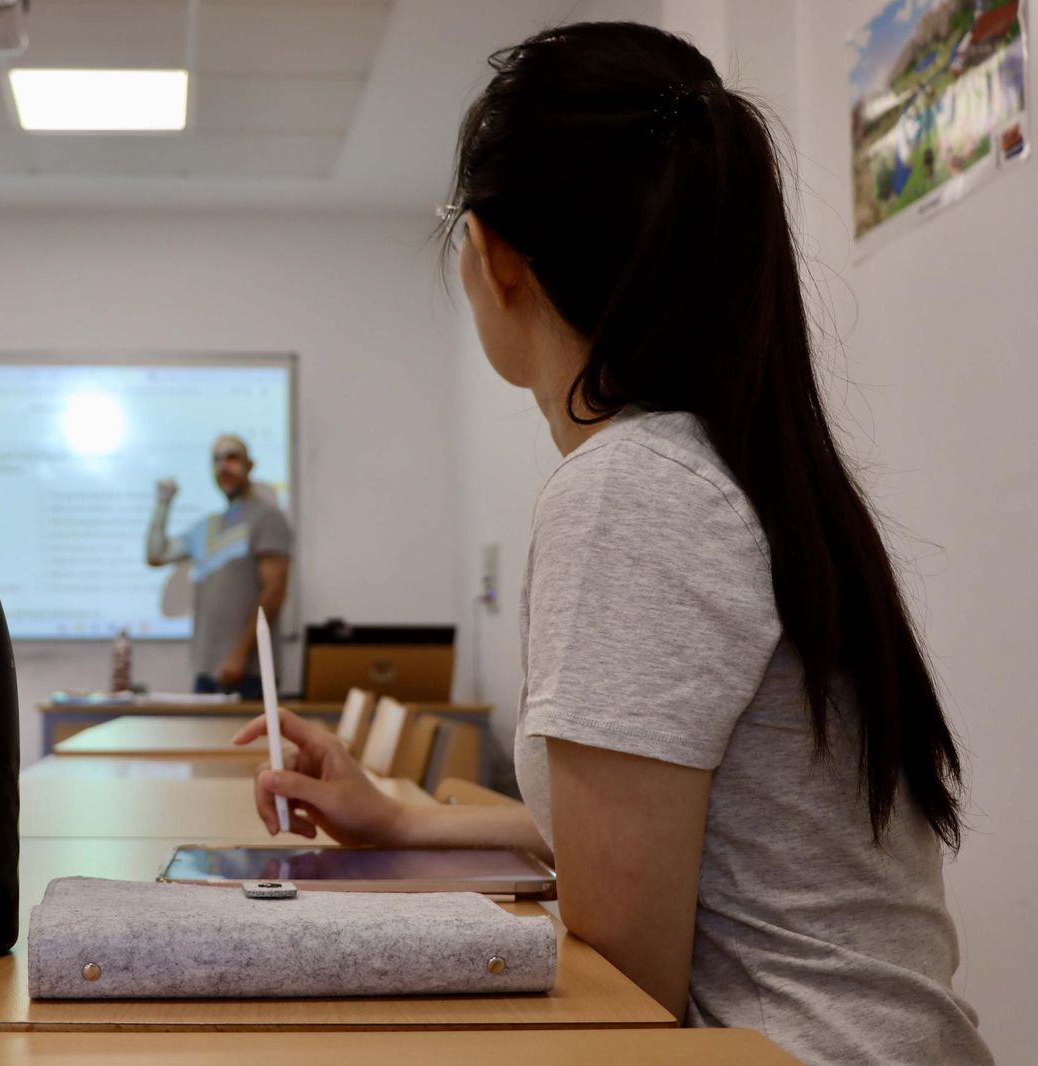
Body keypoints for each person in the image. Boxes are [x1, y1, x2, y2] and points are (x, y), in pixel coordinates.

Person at [234, 22, 990, 1066]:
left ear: (494, 256)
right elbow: (642, 851)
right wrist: (396, 822)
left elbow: (622, 980)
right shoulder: (729, 463)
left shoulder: (630, 491)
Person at [146, 434, 291, 698]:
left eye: (232, 457)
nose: (224, 466)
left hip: (248, 674)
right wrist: (162, 504)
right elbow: (156, 555)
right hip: (206, 670)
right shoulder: (208, 526)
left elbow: (275, 592)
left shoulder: (267, 518)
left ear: (250, 465)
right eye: (216, 460)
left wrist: (239, 655)